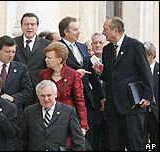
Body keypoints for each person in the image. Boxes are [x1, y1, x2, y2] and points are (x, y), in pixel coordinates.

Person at [93, 16, 154, 151]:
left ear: (115, 30)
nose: (103, 32)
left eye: (105, 29)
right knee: (114, 144)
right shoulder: (108, 49)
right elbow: (111, 77)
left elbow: (145, 72)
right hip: (113, 106)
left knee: (134, 143)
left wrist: (148, 96)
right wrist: (101, 73)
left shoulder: (134, 45)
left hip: (132, 104)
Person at [59, 16, 106, 148]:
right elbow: (54, 70)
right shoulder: (57, 47)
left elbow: (90, 74)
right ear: (66, 32)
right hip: (67, 97)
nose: (79, 32)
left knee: (87, 134)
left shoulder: (82, 47)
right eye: (75, 29)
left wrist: (101, 96)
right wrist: (74, 74)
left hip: (86, 97)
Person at [19, 80, 85, 151]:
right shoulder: (29, 112)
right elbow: (23, 140)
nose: (46, 99)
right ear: (38, 96)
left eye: (49, 95)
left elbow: (79, 142)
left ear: (55, 94)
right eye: (42, 96)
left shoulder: (68, 112)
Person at [38, 42, 88, 135]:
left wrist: (83, 126)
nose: (46, 60)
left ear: (59, 60)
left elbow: (80, 101)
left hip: (66, 118)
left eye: (49, 58)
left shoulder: (73, 75)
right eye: (46, 57)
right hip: (47, 118)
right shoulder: (43, 74)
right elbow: (39, 98)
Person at [13, 12, 51, 102]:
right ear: (21, 26)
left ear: (37, 26)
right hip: (17, 90)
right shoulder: (13, 43)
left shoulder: (47, 45)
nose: (29, 27)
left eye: (32, 24)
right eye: (26, 24)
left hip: (38, 91)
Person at [90, 32, 109, 151]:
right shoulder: (86, 61)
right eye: (95, 43)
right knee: (94, 140)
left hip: (110, 106)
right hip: (94, 107)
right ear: (91, 45)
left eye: (101, 42)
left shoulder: (111, 61)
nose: (98, 45)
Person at [143, 41, 159, 151]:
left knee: (155, 143)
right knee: (142, 144)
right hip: (141, 113)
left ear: (151, 55)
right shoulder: (137, 71)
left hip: (156, 114)